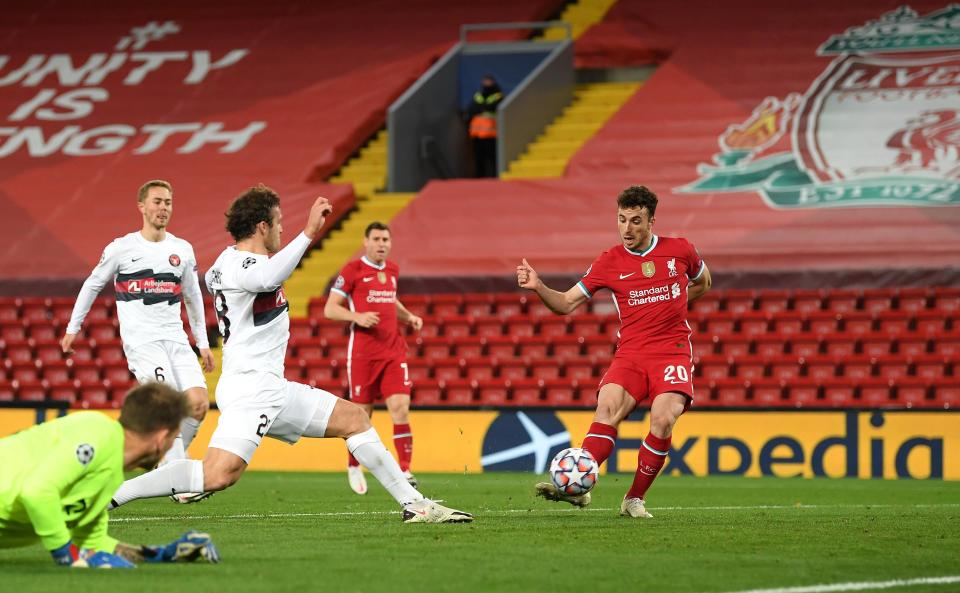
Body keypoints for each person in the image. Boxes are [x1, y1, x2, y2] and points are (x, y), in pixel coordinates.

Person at [108, 185, 472, 524]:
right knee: (216, 475)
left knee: (354, 419)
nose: (283, 229)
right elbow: (265, 278)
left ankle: (415, 505)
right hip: (251, 389)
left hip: (271, 387)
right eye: (279, 222)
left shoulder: (226, 261)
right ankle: (115, 494)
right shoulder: (239, 266)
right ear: (262, 226)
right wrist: (309, 233)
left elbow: (259, 276)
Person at [516, 185, 712, 518]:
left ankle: (633, 498)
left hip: (672, 351)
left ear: (651, 220)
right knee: (606, 408)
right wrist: (538, 286)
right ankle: (579, 488)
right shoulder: (609, 261)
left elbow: (704, 281)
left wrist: (674, 303)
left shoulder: (680, 249)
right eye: (621, 220)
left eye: (636, 221)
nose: (627, 229)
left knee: (664, 418)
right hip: (631, 353)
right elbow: (565, 304)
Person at [61, 179, 215, 502]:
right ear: (142, 207)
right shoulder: (122, 248)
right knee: (167, 405)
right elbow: (92, 285)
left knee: (199, 404)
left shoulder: (182, 250)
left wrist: (202, 342)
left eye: (168, 202)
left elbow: (192, 297)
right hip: (143, 344)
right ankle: (179, 481)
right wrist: (73, 327)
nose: (163, 208)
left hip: (176, 339)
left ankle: (167, 471)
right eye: (157, 202)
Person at [0, 382, 220, 567]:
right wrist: (65, 554)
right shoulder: (97, 433)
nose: (173, 445)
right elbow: (36, 492)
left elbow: (93, 545)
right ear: (162, 438)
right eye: (175, 438)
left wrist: (161, 554)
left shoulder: (111, 472)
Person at [324, 221, 423, 495]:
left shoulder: (392, 270)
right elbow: (330, 309)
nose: (382, 244)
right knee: (361, 415)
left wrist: (408, 317)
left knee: (401, 407)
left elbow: (391, 300)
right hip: (364, 355)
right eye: (377, 239)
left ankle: (404, 470)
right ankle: (353, 464)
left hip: (393, 350)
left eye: (386, 239)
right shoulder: (352, 270)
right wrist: (357, 316)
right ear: (365, 241)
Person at [468, 75, 503, 178]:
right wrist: (483, 108)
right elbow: (472, 108)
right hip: (477, 134)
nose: (486, 83)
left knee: (493, 158)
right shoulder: (478, 95)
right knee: (479, 158)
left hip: (491, 134)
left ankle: (496, 177)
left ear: (493, 82)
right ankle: (479, 178)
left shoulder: (498, 95)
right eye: (484, 81)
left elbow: (492, 107)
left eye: (488, 81)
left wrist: (482, 108)